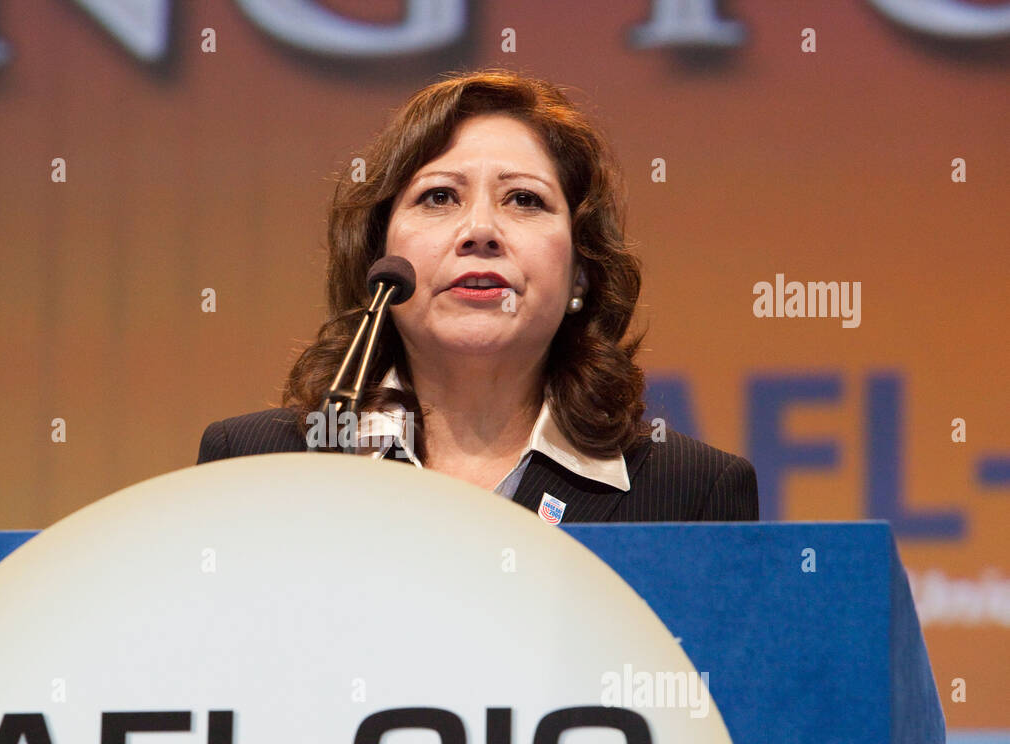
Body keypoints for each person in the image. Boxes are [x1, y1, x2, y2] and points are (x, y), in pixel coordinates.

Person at [197, 69, 758, 523]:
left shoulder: (692, 492)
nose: (480, 230)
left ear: (581, 273)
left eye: (524, 200)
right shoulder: (254, 464)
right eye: (439, 197)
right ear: (378, 259)